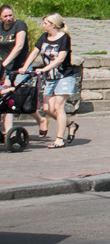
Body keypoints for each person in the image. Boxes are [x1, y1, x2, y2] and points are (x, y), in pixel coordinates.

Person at [18, 13, 78, 148]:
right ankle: (70, 124)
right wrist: (24, 67)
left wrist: (45, 69)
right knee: (47, 108)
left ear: (53, 24)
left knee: (58, 107)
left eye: (45, 23)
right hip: (51, 78)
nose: (43, 25)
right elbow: (34, 52)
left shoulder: (64, 38)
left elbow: (60, 59)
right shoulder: (44, 37)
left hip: (64, 77)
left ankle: (59, 139)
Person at [0, 4, 28, 79]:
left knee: (18, 84)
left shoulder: (19, 24)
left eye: (10, 15)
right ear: (0, 17)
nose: (8, 18)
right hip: (6, 65)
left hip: (21, 64)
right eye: (5, 16)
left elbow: (19, 46)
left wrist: (3, 64)